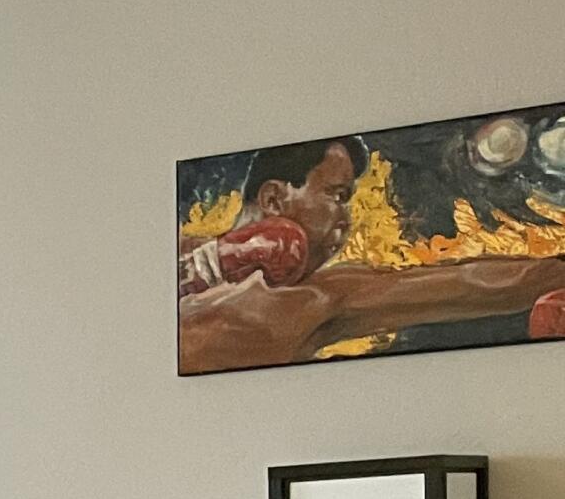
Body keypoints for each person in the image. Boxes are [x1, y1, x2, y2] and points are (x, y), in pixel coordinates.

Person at [178, 135, 565, 374]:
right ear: (274, 199)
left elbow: (468, 283)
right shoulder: (173, 258)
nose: (346, 219)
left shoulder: (316, 299)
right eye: (337, 196)